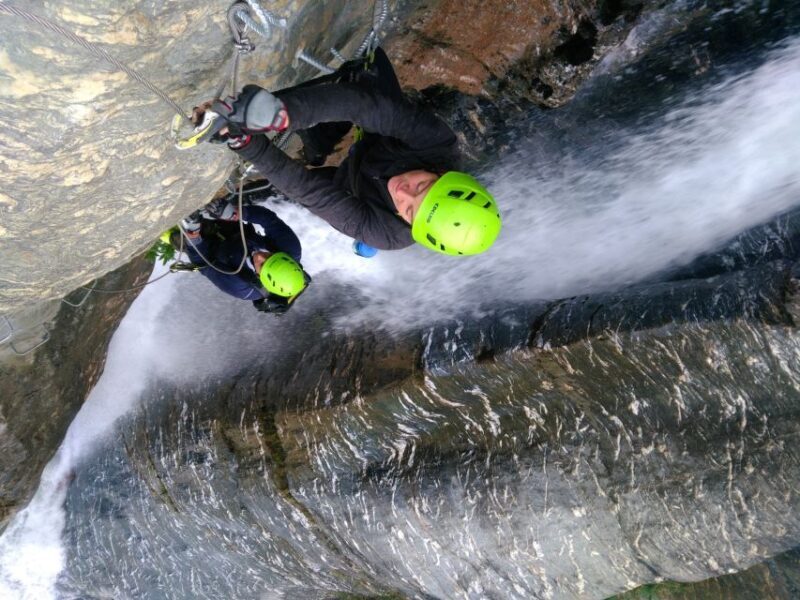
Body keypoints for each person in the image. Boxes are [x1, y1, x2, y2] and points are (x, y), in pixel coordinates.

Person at [195, 48, 502, 256]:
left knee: (308, 164)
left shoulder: (385, 233)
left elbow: (311, 192)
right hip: (376, 135)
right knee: (369, 64)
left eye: (409, 210)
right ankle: (274, 118)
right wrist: (284, 114)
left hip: (350, 187)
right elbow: (367, 108)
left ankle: (312, 148)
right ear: (444, 174)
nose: (402, 192)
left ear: (410, 225)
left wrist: (242, 142)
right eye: (421, 187)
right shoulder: (439, 145)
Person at [169, 198, 311, 314]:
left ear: (260, 279)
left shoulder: (242, 288)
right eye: (270, 256)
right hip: (235, 230)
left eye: (262, 265)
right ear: (284, 257)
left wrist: (194, 237)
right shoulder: (291, 248)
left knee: (178, 237)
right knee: (215, 207)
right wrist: (237, 213)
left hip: (212, 250)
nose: (261, 256)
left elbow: (203, 264)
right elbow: (269, 220)